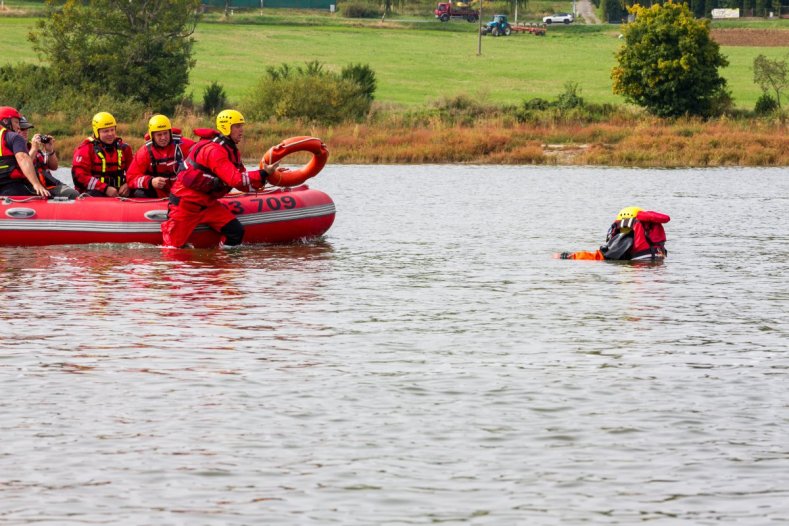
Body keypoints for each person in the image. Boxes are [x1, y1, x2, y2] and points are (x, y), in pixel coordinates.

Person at [161, 109, 279, 248]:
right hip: (186, 206)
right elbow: (235, 180)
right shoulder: (214, 151)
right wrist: (262, 173)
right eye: (237, 126)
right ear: (226, 127)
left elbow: (243, 183)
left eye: (242, 126)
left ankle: (222, 264)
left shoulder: (232, 151)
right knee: (172, 249)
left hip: (208, 205)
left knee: (236, 232)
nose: (241, 131)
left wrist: (267, 177)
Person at [558, 207, 670, 261]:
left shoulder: (627, 238)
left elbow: (601, 256)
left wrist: (569, 256)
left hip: (638, 276)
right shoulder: (654, 239)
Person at [127, 114, 196, 198]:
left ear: (170, 132)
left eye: (165, 133)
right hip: (158, 194)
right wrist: (150, 181)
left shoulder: (182, 144)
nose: (163, 137)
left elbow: (200, 151)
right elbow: (131, 178)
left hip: (181, 191)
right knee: (139, 193)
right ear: (152, 136)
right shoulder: (145, 152)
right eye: (159, 135)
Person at [71, 111, 133, 197]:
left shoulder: (124, 148)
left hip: (120, 192)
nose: (110, 134)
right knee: (94, 193)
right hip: (95, 192)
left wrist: (128, 184)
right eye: (105, 131)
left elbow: (135, 172)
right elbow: (80, 177)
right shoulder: (85, 149)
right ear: (97, 132)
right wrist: (105, 188)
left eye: (112, 130)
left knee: (139, 192)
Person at [17, 116, 79, 199]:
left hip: (48, 185)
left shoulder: (32, 147)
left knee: (74, 194)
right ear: (15, 129)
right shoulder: (18, 150)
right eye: (22, 129)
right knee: (72, 194)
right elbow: (23, 166)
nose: (25, 132)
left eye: (27, 129)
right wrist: (34, 149)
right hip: (32, 188)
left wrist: (50, 150)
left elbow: (54, 167)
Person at [0, 106, 50, 198]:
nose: (18, 127)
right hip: (12, 186)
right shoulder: (14, 137)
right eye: (16, 122)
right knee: (45, 196)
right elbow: (23, 158)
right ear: (6, 121)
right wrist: (36, 184)